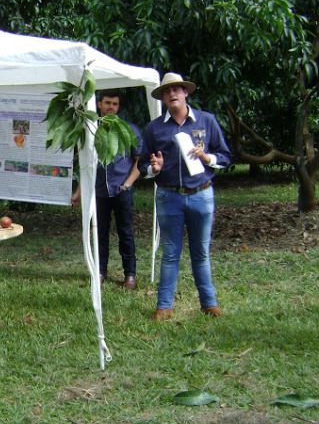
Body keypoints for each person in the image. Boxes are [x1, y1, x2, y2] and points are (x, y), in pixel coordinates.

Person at [141, 72, 231, 320]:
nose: (172, 94)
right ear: (162, 97)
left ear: (185, 93)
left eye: (176, 89)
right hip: (169, 197)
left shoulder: (206, 121)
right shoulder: (155, 128)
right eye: (166, 91)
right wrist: (153, 169)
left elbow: (225, 157)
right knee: (170, 252)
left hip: (201, 194)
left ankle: (209, 304)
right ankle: (164, 307)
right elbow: (141, 164)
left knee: (201, 252)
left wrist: (207, 158)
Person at [72, 90, 143, 289]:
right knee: (99, 232)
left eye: (115, 104)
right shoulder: (90, 129)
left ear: (118, 107)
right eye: (107, 103)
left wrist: (128, 183)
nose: (111, 107)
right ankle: (100, 271)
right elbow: (86, 165)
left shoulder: (128, 129)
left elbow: (139, 160)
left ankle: (130, 274)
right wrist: (78, 192)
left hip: (122, 189)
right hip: (99, 191)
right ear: (99, 104)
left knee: (125, 232)